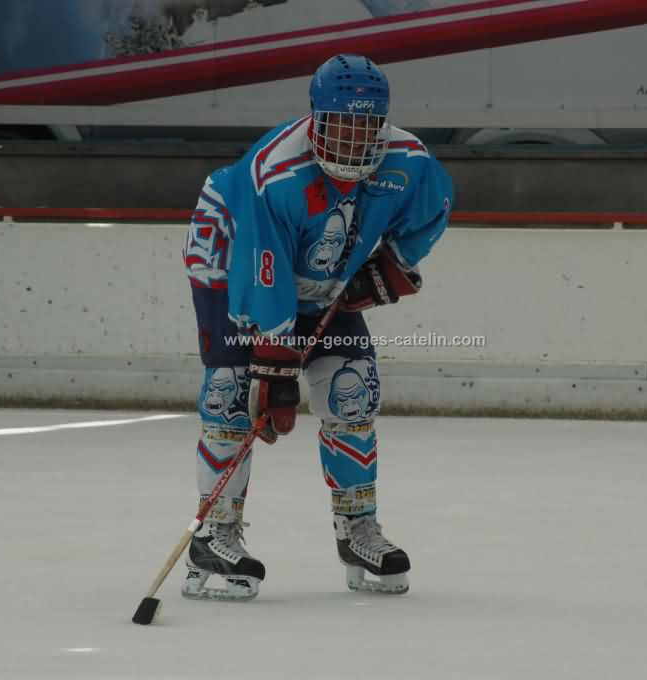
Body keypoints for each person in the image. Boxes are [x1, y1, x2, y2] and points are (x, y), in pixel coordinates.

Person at [181, 53, 454, 601]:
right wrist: (275, 365)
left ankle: (357, 529)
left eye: (366, 127)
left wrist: (391, 267)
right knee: (234, 391)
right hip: (234, 258)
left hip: (326, 269)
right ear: (316, 119)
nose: (353, 141)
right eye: (341, 126)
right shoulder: (274, 173)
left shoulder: (409, 161)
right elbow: (263, 270)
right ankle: (214, 533)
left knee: (353, 388)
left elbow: (433, 210)